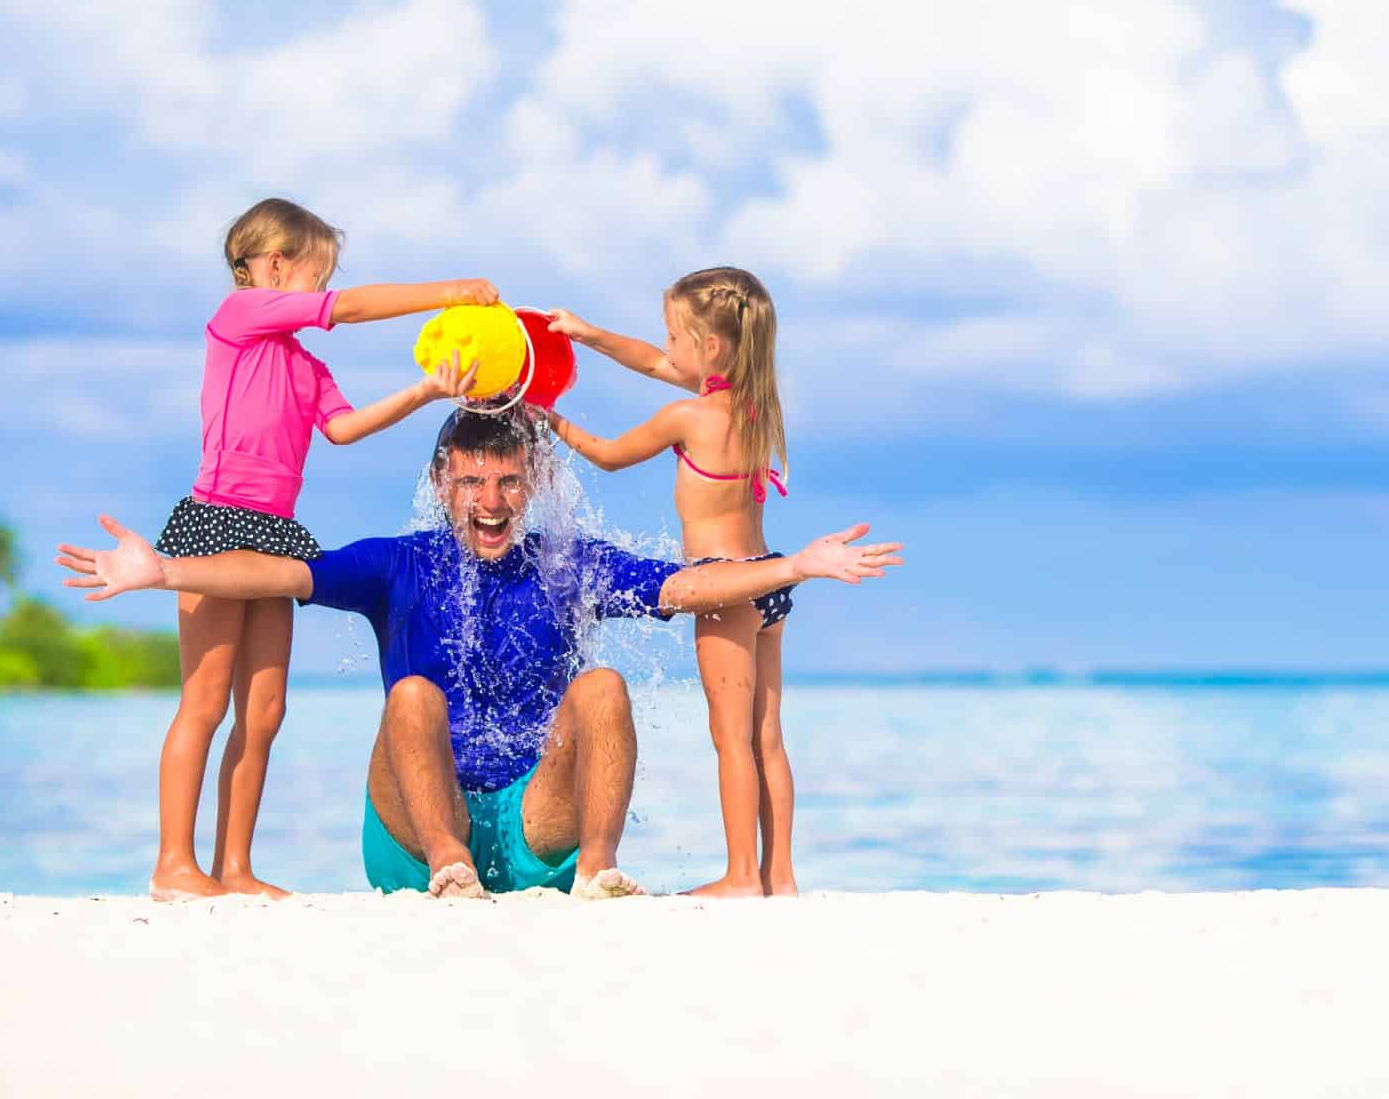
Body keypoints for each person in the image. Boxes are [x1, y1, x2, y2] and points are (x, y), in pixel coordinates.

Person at [56, 406, 903, 900]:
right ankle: (453, 867)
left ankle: (598, 875)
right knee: (411, 696)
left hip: (540, 825)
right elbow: (279, 570)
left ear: (529, 484)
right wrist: (165, 570)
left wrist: (791, 566)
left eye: (505, 483)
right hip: (415, 839)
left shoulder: (564, 562)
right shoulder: (399, 563)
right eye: (471, 483)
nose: (490, 503)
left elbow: (681, 587)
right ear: (442, 486)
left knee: (603, 685)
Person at [151, 197, 493, 901]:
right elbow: (350, 308)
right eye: (317, 275)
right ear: (274, 266)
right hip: (217, 520)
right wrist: (448, 292)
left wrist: (428, 390)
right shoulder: (238, 317)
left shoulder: (306, 369)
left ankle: (235, 868)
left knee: (266, 709)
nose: (320, 291)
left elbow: (343, 429)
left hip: (274, 533)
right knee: (205, 701)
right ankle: (173, 866)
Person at [540, 268, 804, 897]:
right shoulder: (758, 406)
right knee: (767, 734)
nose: (666, 350)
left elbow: (605, 453)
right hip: (767, 578)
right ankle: (779, 876)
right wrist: (586, 334)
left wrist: (547, 420)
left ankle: (740, 875)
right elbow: (653, 361)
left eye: (676, 337)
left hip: (723, 586)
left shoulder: (687, 417)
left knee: (729, 737)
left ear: (710, 348)